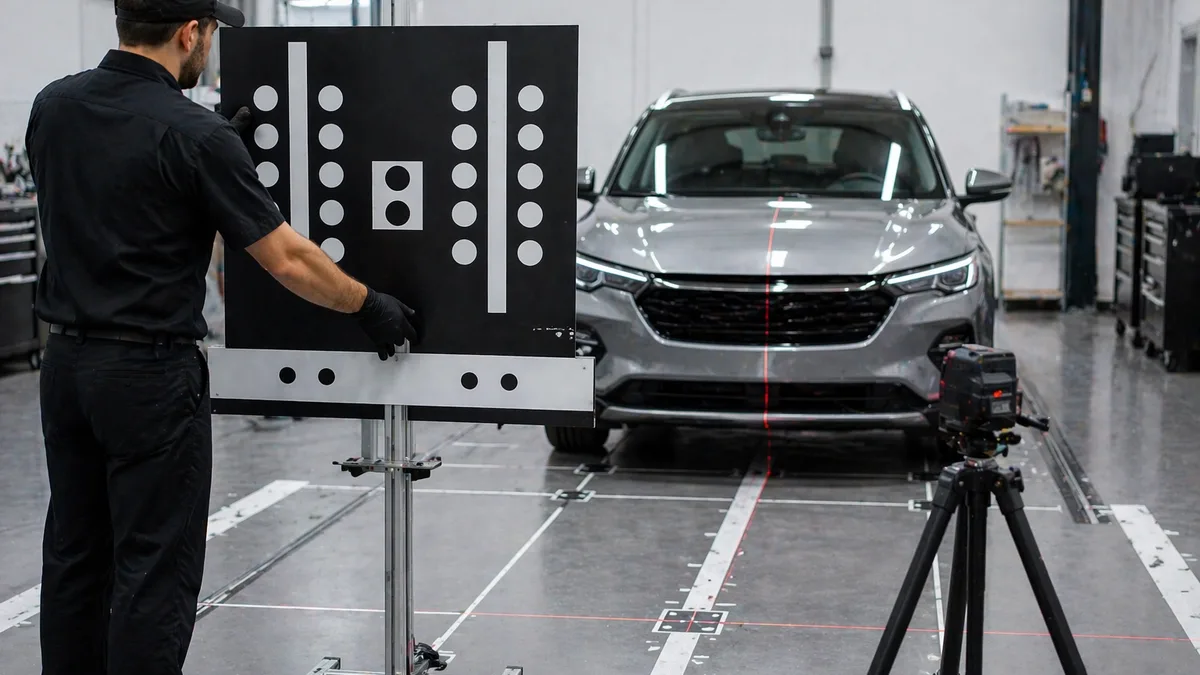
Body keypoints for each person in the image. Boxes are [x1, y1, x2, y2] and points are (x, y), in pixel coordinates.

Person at [23, 1, 420, 673]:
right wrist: (368, 303)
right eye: (210, 31)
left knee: (74, 557)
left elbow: (109, 187)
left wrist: (204, 161)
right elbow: (287, 259)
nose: (210, 46)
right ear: (188, 32)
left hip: (65, 367)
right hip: (149, 377)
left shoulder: (52, 107)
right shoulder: (197, 137)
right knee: (153, 569)